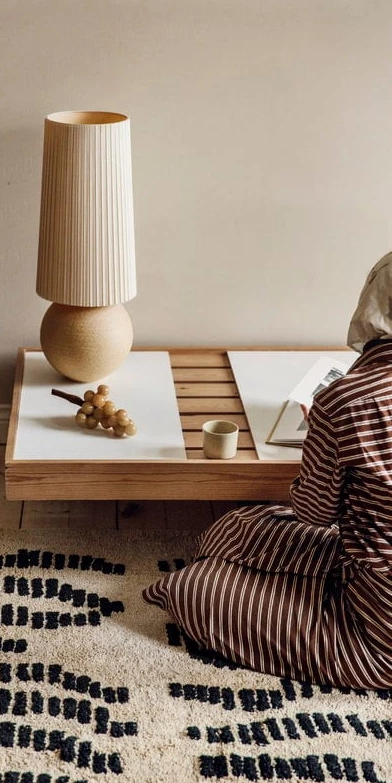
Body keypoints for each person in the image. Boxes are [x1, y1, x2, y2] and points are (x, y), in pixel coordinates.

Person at [143, 253, 392, 689]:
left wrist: (320, 440)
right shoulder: (350, 399)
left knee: (192, 590)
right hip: (367, 570)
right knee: (239, 525)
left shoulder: (346, 400)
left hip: (375, 631)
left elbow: (315, 515)